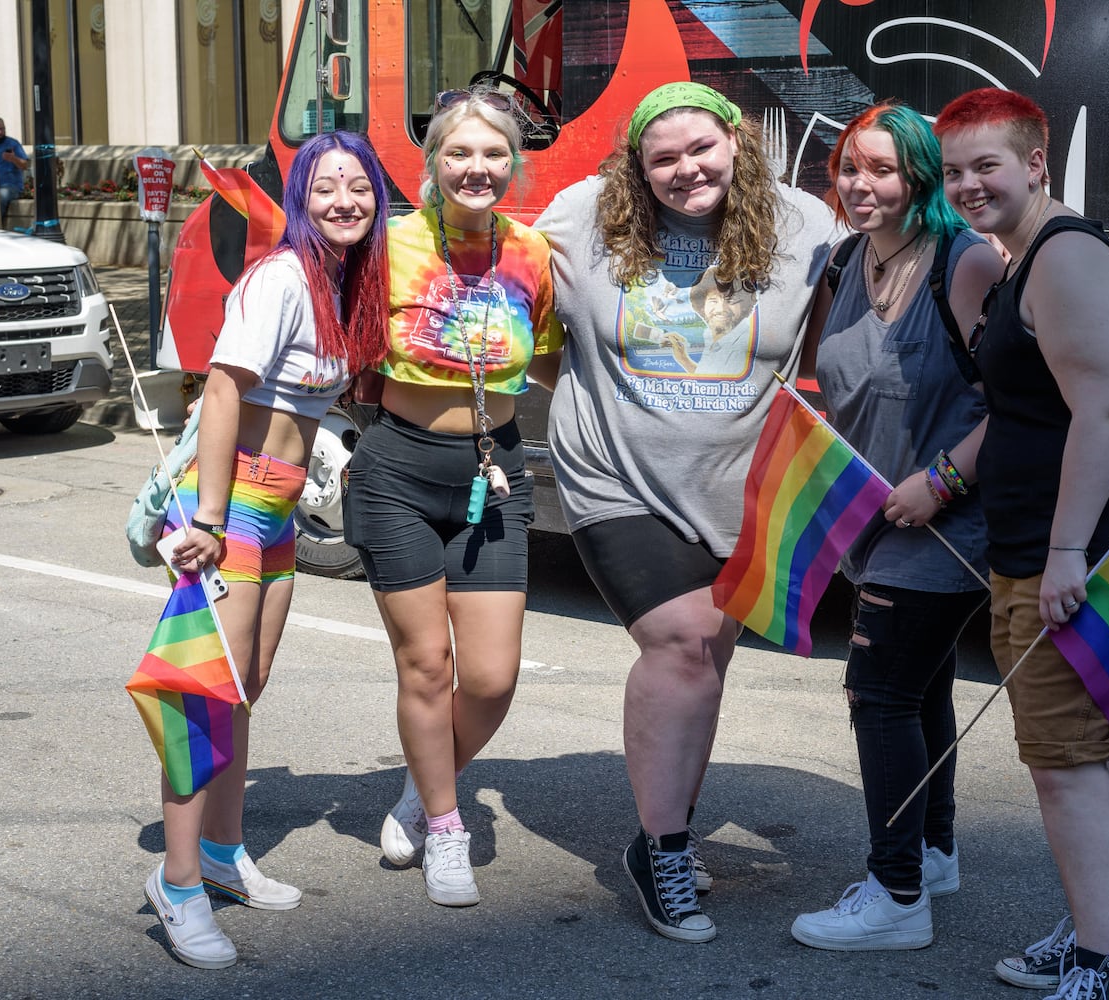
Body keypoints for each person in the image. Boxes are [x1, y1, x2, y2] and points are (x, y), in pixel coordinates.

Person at [535, 82, 837, 943]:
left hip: (739, 487)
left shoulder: (804, 225)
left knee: (707, 664)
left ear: (735, 143)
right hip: (614, 478)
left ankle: (669, 820)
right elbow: (490, 262)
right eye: (662, 157)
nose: (685, 170)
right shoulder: (582, 213)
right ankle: (662, 851)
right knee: (681, 644)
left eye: (700, 149)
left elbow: (878, 292)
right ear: (636, 164)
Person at [935, 89, 1109, 1000]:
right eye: (955, 170)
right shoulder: (1018, 262)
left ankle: (1102, 966)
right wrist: (944, 481)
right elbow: (1024, 409)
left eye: (987, 165)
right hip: (1063, 547)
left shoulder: (1064, 257)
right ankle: (1101, 931)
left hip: (1098, 556)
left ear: (1036, 163)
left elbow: (1105, 411)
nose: (968, 185)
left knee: (1066, 767)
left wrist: (1065, 555)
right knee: (1085, 761)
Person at [142, 130, 391, 969]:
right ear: (298, 200)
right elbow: (221, 388)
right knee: (204, 695)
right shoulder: (283, 277)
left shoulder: (350, 282)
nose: (343, 202)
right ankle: (176, 885)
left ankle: (219, 852)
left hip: (279, 506)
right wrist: (207, 520)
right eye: (325, 188)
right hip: (233, 503)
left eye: (358, 186)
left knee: (244, 686)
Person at [789, 101, 1004, 952]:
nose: (860, 184)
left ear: (919, 175)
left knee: (878, 696)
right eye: (849, 167)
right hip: (872, 522)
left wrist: (941, 479)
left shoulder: (966, 261)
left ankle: (896, 892)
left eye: (881, 169)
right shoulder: (845, 261)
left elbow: (1019, 401)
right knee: (925, 689)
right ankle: (935, 849)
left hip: (950, 525)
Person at [342, 87, 562, 908]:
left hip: (493, 470)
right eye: (459, 153)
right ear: (432, 161)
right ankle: (444, 825)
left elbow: (546, 360)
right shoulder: (387, 244)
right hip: (397, 467)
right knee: (428, 665)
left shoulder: (531, 252)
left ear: (514, 162)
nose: (477, 168)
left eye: (494, 154)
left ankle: (420, 779)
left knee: (493, 677)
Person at [0, 117, 28, 224]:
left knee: (1, 196)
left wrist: (13, 158)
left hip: (10, 186)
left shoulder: (13, 144)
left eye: (2, 129)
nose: (0, 132)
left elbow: (24, 165)